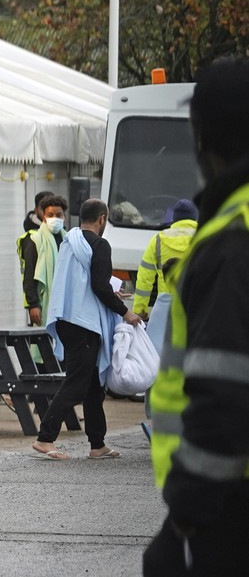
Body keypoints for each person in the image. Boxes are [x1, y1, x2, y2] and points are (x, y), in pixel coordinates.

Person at [143, 57, 249, 576]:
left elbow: (224, 390)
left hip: (229, 510)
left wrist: (187, 517)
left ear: (204, 137)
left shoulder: (231, 238)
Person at [31, 198, 141, 461]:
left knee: (93, 385)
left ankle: (97, 443)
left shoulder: (70, 242)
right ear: (102, 219)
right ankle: (45, 438)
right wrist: (126, 313)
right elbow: (99, 286)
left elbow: (84, 283)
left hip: (68, 318)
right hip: (85, 324)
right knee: (77, 383)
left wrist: (110, 290)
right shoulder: (100, 244)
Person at [132, 199, 198, 320]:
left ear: (175, 218)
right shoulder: (204, 237)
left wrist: (140, 310)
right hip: (197, 305)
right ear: (194, 218)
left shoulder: (158, 240)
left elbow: (145, 279)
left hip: (166, 307)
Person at [23, 195, 68, 327]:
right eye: (50, 215)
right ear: (44, 217)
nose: (55, 218)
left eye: (58, 215)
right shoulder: (35, 241)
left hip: (66, 303)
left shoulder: (69, 240)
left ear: (64, 216)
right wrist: (33, 305)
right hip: (44, 303)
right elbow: (29, 276)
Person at [17, 190, 53, 311]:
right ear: (36, 209)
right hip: (39, 301)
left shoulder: (59, 234)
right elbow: (29, 272)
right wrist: (33, 304)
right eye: (44, 209)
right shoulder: (31, 238)